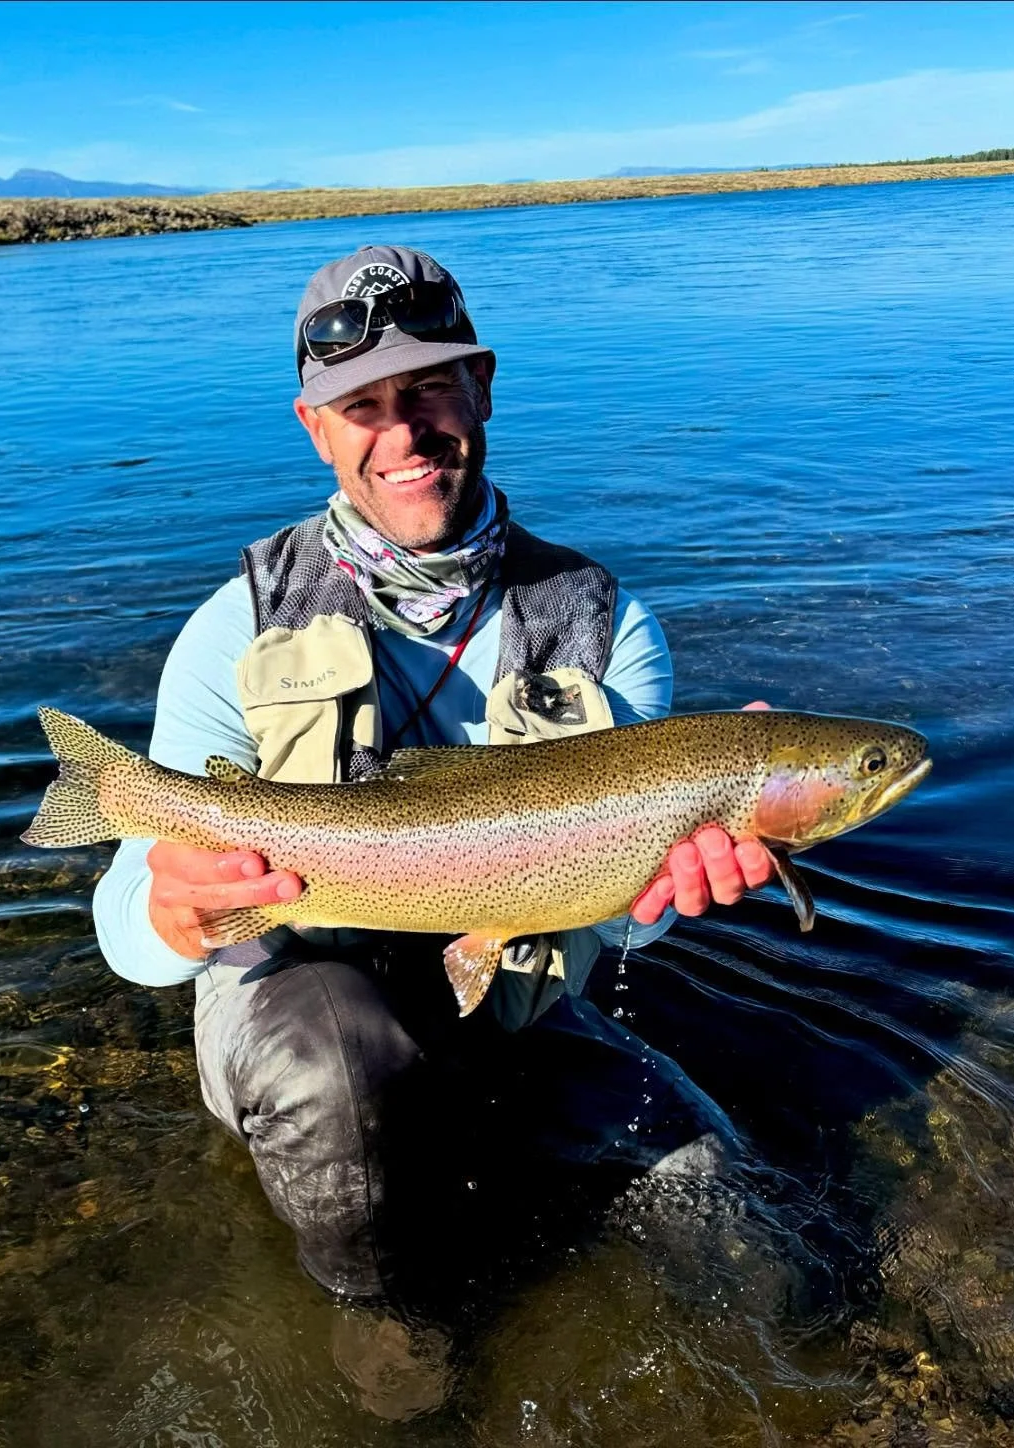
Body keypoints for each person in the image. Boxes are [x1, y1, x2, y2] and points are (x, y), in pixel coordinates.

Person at [92, 245, 773, 1318]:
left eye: (428, 390)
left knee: (719, 1193)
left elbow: (621, 927)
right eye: (362, 405)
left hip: (509, 999)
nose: (403, 433)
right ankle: (389, 1324)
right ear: (314, 429)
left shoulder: (607, 627)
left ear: (483, 388)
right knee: (341, 1065)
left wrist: (679, 883)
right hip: (303, 1015)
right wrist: (175, 913)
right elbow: (126, 932)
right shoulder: (238, 626)